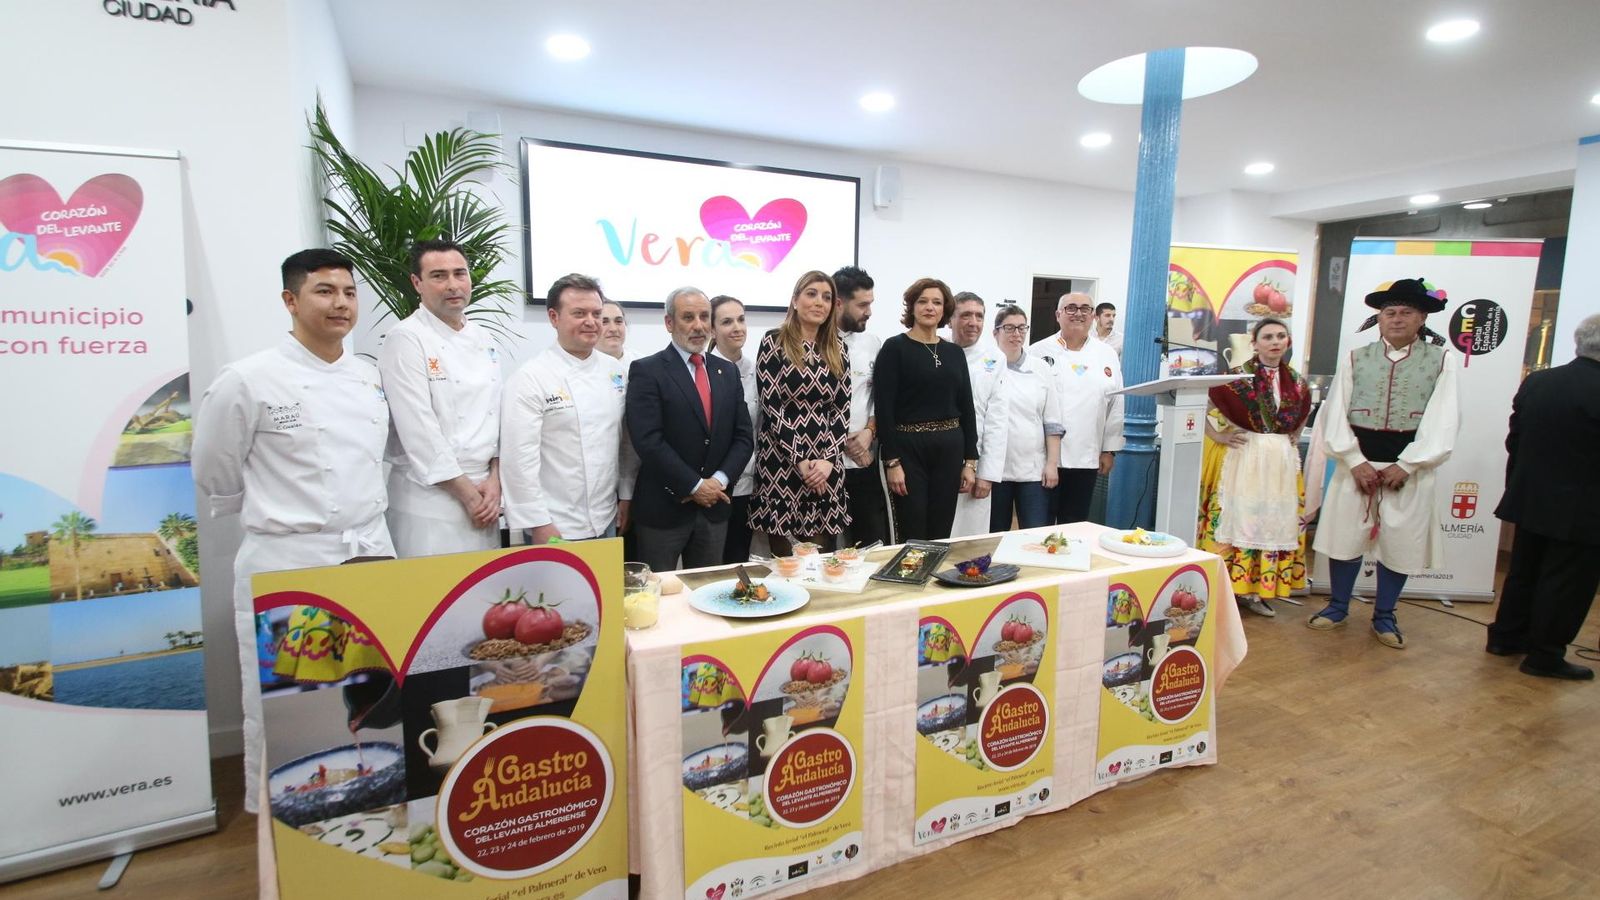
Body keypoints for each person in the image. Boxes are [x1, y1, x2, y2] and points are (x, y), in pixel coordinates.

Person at [193, 249, 394, 811]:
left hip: (370, 552)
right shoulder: (247, 379)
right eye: (324, 291)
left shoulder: (368, 377)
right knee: (285, 702)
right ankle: (278, 821)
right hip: (289, 561)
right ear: (290, 300)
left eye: (349, 292)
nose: (341, 304)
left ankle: (367, 803)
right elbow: (213, 469)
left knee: (369, 687)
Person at [1309, 278, 1460, 649]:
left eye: (1406, 312)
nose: (1396, 319)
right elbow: (1335, 413)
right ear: (1379, 317)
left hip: (1407, 471)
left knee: (1400, 543)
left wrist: (1408, 464)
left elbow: (1445, 419)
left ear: (1422, 318)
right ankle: (1338, 606)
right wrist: (1353, 460)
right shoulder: (1356, 357)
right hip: (1356, 467)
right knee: (1346, 538)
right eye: (1389, 312)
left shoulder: (1441, 360)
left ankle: (1385, 615)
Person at [1486, 314, 1600, 680]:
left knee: (1523, 571)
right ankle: (1545, 656)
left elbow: (1515, 439)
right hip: (1584, 507)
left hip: (1531, 496)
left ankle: (1505, 637)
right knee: (1567, 583)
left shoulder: (1539, 381)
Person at [377, 239, 501, 557]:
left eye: (460, 273)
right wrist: (469, 496)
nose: (452, 285)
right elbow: (418, 429)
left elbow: (497, 414)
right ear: (417, 283)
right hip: (429, 502)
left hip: (485, 497)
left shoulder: (483, 337)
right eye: (438, 276)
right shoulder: (405, 338)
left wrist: (495, 481)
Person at [626, 287, 754, 571]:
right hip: (664, 509)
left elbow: (743, 437)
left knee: (707, 590)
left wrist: (718, 481)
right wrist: (695, 486)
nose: (698, 326)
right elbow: (648, 441)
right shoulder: (647, 371)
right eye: (688, 317)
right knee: (658, 592)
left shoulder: (727, 371)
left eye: (704, 317)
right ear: (669, 323)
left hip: (714, 508)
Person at [500, 274, 631, 543]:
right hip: (553, 523)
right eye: (579, 313)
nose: (591, 321)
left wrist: (626, 496)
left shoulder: (615, 372)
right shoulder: (531, 377)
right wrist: (538, 522)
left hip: (606, 517)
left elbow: (625, 443)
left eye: (596, 314)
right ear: (554, 317)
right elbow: (518, 460)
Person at [1196, 318, 1311, 618]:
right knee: (1238, 519)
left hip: (1279, 464)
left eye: (1281, 336)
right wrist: (1217, 436)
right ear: (1255, 343)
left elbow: (1302, 413)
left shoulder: (1297, 381)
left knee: (1270, 521)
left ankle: (1254, 591)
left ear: (1288, 342)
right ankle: (1224, 590)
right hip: (1244, 457)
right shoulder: (1236, 378)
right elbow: (1201, 405)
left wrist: (1294, 434)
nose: (1275, 342)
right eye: (1268, 336)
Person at [748, 271, 851, 555]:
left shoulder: (838, 347)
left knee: (821, 558)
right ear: (795, 300)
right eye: (811, 294)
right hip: (781, 461)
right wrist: (801, 460)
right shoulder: (773, 341)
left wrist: (828, 460)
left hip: (825, 464)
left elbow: (841, 408)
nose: (819, 302)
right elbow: (772, 405)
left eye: (827, 297)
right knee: (785, 561)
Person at [875, 278, 978, 541]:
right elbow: (884, 409)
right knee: (912, 528)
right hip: (908, 449)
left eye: (937, 302)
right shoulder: (894, 348)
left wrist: (970, 462)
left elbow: (967, 407)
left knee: (941, 530)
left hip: (950, 448)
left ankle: (936, 569)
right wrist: (892, 461)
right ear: (912, 307)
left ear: (945, 310)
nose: (929, 307)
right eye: (922, 301)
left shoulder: (954, 353)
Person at [1031, 292, 1124, 523]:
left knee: (1074, 523)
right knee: (1039, 523)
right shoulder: (1037, 352)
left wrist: (1109, 449)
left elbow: (1115, 403)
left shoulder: (1107, 354)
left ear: (1093, 316)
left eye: (1085, 309)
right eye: (1071, 308)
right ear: (1058, 315)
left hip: (1087, 455)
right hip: (1042, 456)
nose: (1078, 314)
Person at [987, 305, 1062, 530]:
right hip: (994, 470)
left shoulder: (1040, 368)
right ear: (996, 332)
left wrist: (1052, 464)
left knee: (1034, 533)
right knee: (994, 534)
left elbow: (1052, 421)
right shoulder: (987, 366)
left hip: (1033, 470)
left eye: (1022, 328)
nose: (1016, 334)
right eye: (1009, 328)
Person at [834, 265, 889, 547]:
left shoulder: (872, 343)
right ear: (839, 303)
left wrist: (869, 431)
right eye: (862, 305)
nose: (869, 312)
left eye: (871, 303)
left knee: (872, 543)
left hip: (864, 458)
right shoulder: (814, 342)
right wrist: (840, 440)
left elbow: (882, 397)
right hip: (824, 463)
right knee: (827, 548)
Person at [948, 292, 1008, 537]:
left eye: (979, 316)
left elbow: (997, 420)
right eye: (965, 315)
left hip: (977, 461)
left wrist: (987, 474)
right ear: (950, 319)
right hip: (940, 456)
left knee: (969, 538)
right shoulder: (937, 352)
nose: (973, 322)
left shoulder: (995, 358)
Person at [710, 295, 760, 564]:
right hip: (714, 485)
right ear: (712, 329)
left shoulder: (757, 370)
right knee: (711, 563)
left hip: (749, 484)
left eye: (741, 319)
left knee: (738, 559)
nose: (737, 327)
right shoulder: (702, 370)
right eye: (727, 322)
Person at [597, 298, 638, 367]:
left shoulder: (642, 364)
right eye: (604, 322)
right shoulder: (581, 365)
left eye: (618, 321)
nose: (613, 329)